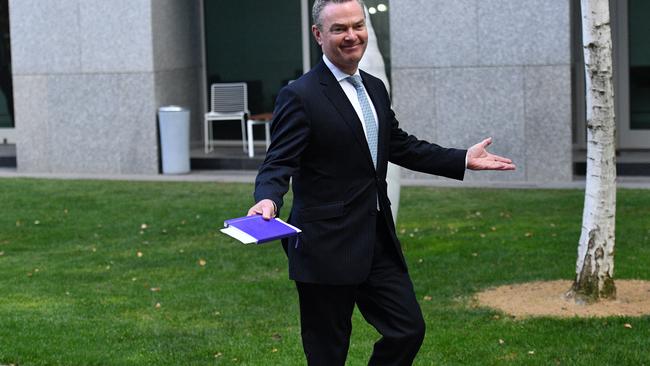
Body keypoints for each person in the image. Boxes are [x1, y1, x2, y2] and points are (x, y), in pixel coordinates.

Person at [247, 0, 516, 364]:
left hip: (376, 240)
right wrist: (269, 199)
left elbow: (399, 145)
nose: (351, 35)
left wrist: (460, 158)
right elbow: (278, 161)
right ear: (318, 35)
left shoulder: (373, 87)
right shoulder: (300, 96)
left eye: (358, 26)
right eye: (339, 29)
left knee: (407, 329)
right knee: (328, 352)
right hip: (324, 246)